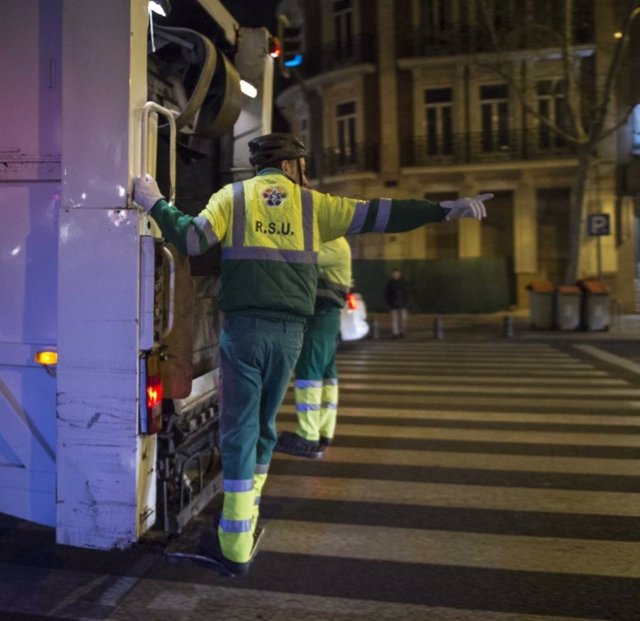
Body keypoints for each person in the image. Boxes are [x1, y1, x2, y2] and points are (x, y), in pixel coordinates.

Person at [132, 132, 492, 576]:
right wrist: (443, 210)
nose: (306, 174)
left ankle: (234, 544)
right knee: (263, 427)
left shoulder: (233, 196)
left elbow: (189, 240)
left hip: (245, 333)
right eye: (303, 166)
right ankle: (247, 521)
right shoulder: (316, 206)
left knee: (239, 432)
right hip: (290, 336)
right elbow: (384, 213)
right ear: (289, 166)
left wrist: (153, 203)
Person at [276, 236, 352, 459]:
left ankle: (307, 435)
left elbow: (302, 260)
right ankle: (323, 431)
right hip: (327, 318)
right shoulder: (336, 242)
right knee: (327, 376)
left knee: (308, 373)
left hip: (320, 316)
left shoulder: (334, 244)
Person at [385, 268, 409, 338]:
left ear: (399, 274)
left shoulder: (403, 283)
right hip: (393, 304)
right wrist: (388, 303)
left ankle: (401, 331)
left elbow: (406, 293)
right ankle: (395, 333)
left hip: (402, 304)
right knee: (394, 319)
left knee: (404, 318)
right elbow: (387, 294)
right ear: (392, 275)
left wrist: (406, 302)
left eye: (397, 274)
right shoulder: (390, 283)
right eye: (394, 274)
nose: (396, 275)